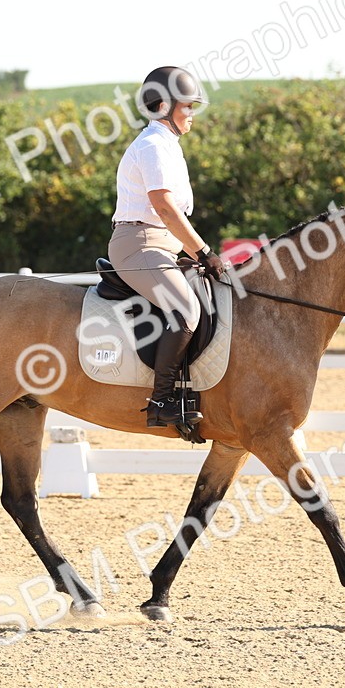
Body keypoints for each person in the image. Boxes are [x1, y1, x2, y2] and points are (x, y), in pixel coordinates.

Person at [109, 66, 227, 428]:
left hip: (162, 245)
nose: (192, 113)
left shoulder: (168, 147)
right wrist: (203, 251)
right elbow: (164, 208)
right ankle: (161, 402)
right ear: (163, 106)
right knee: (186, 310)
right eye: (187, 106)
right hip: (139, 243)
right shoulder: (151, 146)